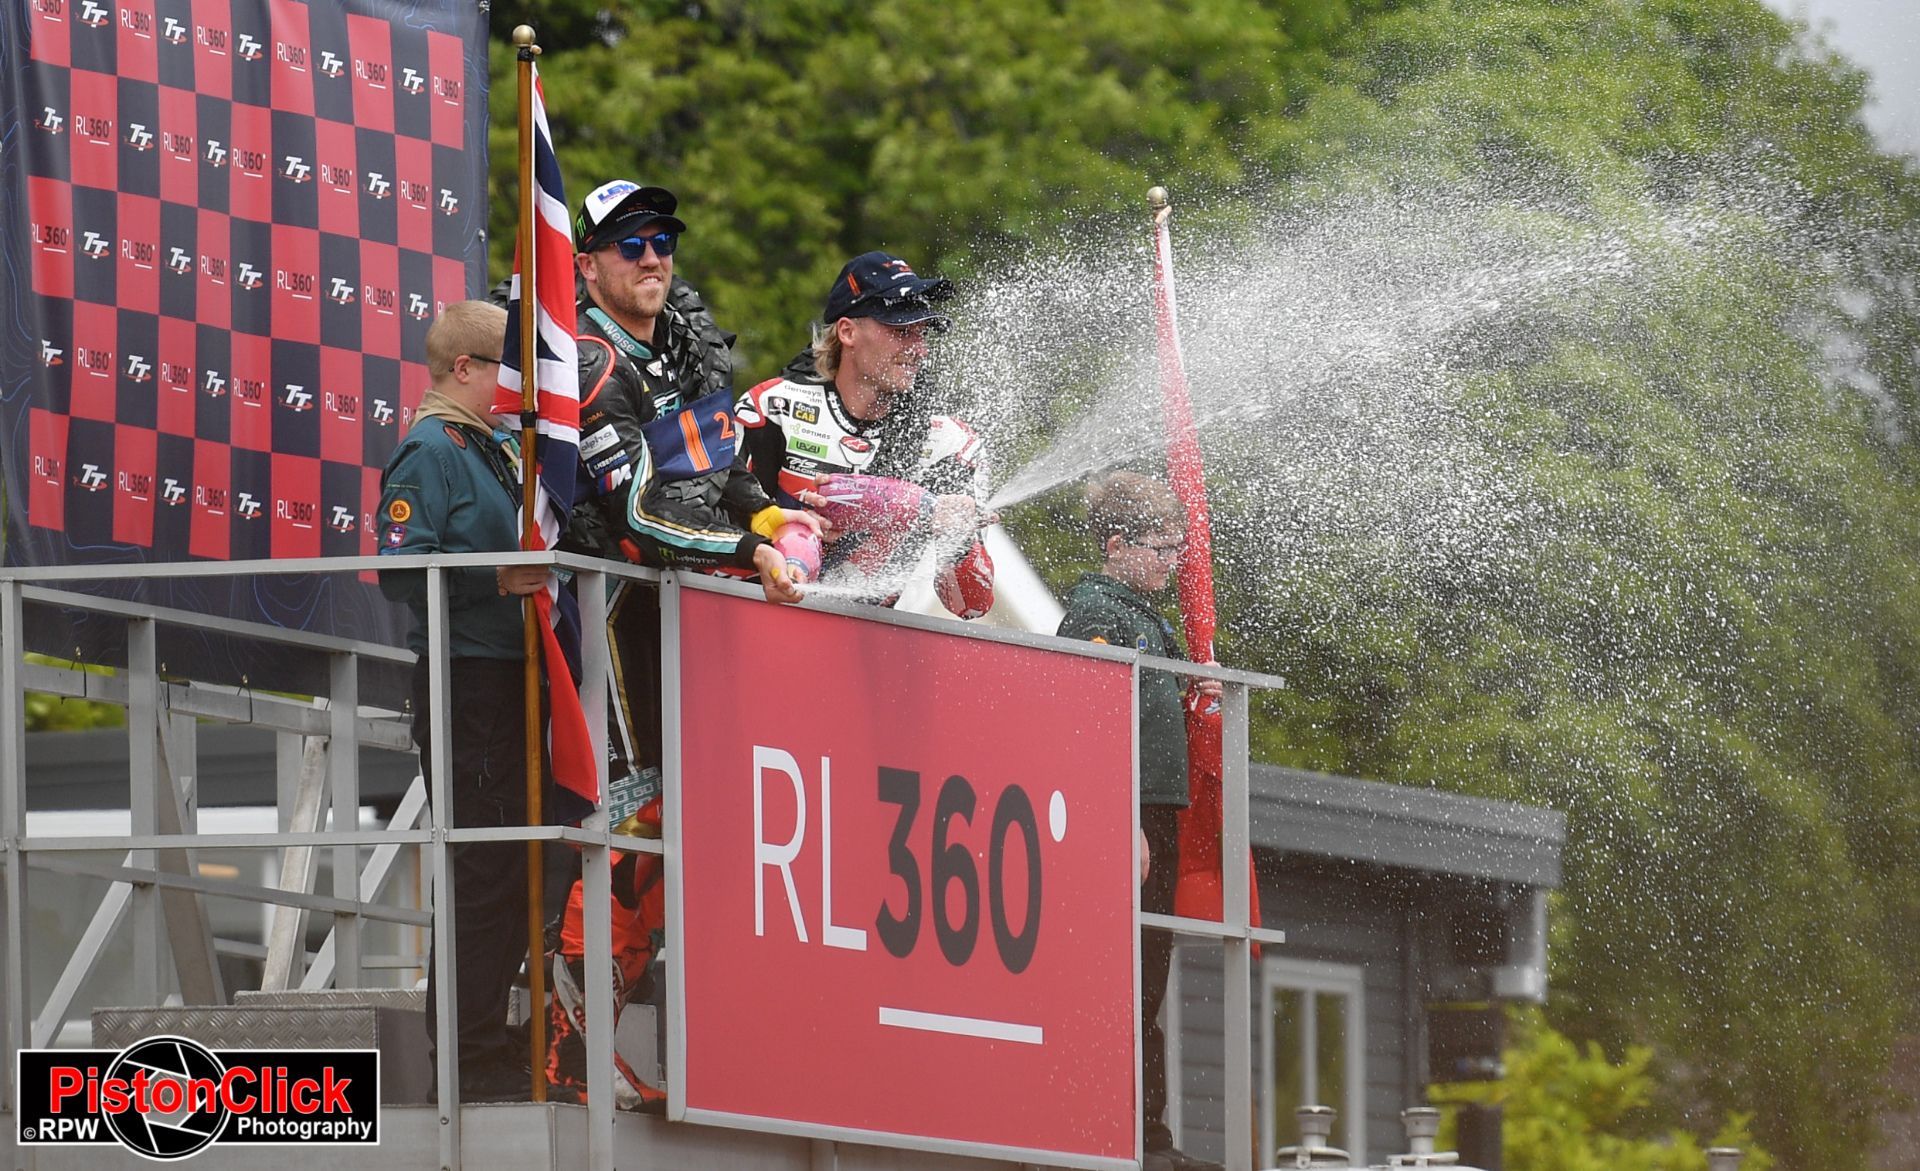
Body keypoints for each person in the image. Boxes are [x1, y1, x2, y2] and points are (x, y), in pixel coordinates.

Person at [543, 179, 819, 1111]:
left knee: (684, 823)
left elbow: (721, 468)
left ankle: (626, 1038)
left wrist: (773, 510)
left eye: (663, 241)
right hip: (600, 606)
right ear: (588, 265)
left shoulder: (681, 342)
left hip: (677, 612)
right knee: (631, 824)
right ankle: (568, 1049)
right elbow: (638, 509)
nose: (653, 257)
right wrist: (751, 547)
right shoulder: (584, 358)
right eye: (630, 245)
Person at [377, 300, 549, 1103]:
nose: (519, 392)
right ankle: (469, 1055)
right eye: (507, 374)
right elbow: (400, 569)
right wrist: (493, 575)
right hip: (466, 682)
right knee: (482, 868)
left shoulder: (489, 449)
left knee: (515, 866)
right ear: (466, 370)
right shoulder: (430, 448)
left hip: (505, 678)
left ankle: (485, 1039)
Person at [1055, 471, 1223, 1171]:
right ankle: (1111, 1129)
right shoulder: (1099, 613)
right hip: (1127, 818)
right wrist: (1115, 821)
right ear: (1116, 544)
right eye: (1158, 549)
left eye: (1176, 550)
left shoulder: (1143, 614)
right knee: (1120, 979)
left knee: (1148, 979)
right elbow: (1088, 724)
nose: (1170, 563)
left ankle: (1146, 1133)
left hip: (1155, 813)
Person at [736, 250, 995, 619]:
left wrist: (959, 539)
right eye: (901, 331)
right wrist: (793, 532)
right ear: (847, 331)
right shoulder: (773, 408)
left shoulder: (950, 445)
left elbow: (970, 606)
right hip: (761, 626)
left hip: (865, 648)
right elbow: (715, 531)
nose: (918, 350)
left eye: (922, 334)